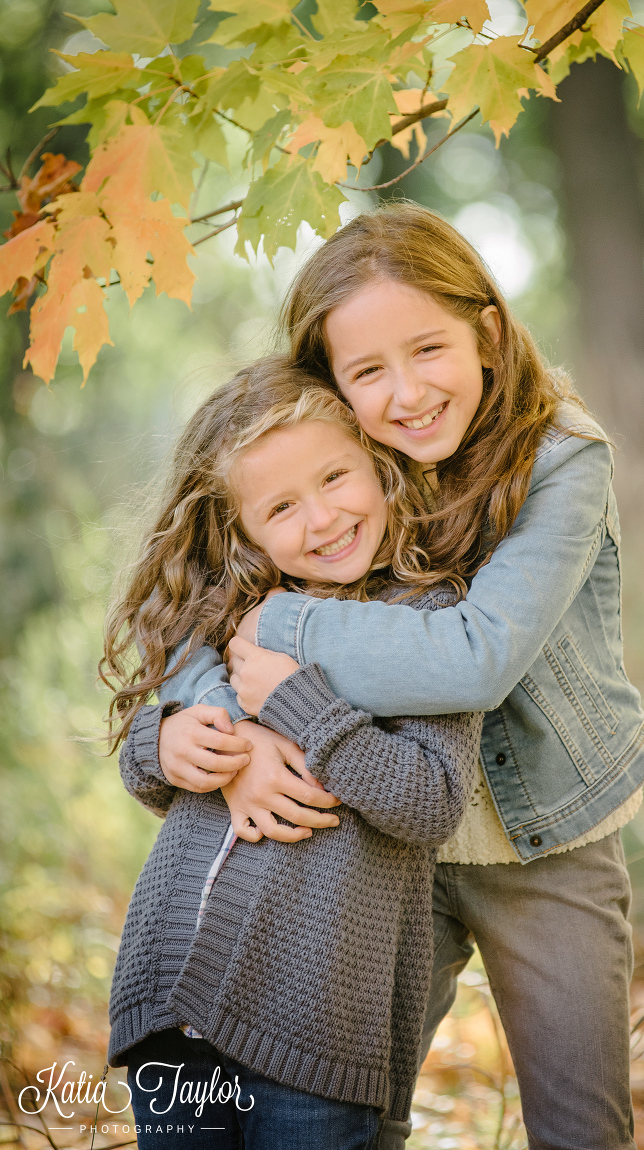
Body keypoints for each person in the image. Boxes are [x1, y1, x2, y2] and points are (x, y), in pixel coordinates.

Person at [163, 204, 644, 1150]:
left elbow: (477, 656)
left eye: (428, 348)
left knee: (580, 1128)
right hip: (383, 837)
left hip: (544, 841)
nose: (407, 393)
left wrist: (287, 627)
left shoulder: (561, 460)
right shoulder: (339, 464)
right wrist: (224, 724)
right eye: (367, 372)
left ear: (488, 330)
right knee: (352, 1116)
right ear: (331, 386)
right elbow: (202, 603)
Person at [100, 357, 483, 1150]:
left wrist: (298, 705)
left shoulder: (429, 617)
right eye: (280, 506)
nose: (321, 519)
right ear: (241, 530)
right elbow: (147, 761)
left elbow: (430, 800)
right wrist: (166, 739)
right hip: (167, 992)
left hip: (316, 1022)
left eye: (336, 477)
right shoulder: (223, 609)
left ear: (379, 467)